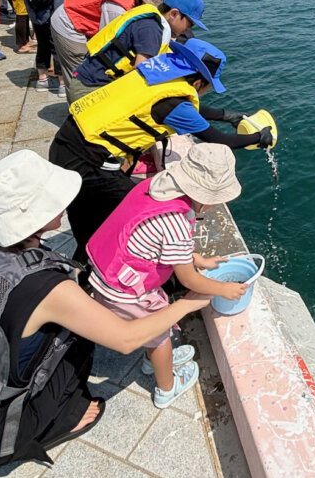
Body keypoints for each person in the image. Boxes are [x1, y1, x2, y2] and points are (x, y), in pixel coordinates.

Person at [0, 150, 212, 468]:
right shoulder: (47, 287)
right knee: (79, 341)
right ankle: (67, 416)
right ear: (37, 213)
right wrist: (187, 303)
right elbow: (125, 339)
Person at [50, 39, 271, 260]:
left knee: (87, 219)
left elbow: (182, 108)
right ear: (198, 83)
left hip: (68, 140)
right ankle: (101, 273)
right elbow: (219, 140)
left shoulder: (155, 74)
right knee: (139, 212)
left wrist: (226, 115)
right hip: (88, 161)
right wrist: (258, 138)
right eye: (208, 86)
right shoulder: (175, 103)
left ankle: (83, 265)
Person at [87, 143, 247, 407]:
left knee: (155, 333)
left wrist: (198, 258)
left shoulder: (156, 187)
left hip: (109, 272)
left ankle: (155, 360)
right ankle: (166, 388)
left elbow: (162, 241)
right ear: (206, 195)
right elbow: (188, 280)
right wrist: (223, 290)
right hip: (125, 292)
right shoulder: (175, 221)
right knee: (160, 334)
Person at [68, 0, 205, 103]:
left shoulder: (151, 21)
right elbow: (140, 74)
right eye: (190, 23)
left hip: (87, 81)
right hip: (89, 90)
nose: (189, 29)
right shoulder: (151, 30)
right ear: (174, 14)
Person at [51, 0, 166, 101]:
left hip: (77, 13)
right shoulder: (118, 8)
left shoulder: (130, 0)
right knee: (78, 68)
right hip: (68, 21)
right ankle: (76, 110)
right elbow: (106, 40)